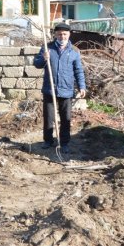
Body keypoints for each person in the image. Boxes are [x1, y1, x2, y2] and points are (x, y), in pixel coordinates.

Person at [33, 22, 86, 154]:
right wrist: (43, 58)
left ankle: (65, 143)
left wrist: (82, 86)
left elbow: (78, 70)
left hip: (66, 89)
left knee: (65, 118)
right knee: (48, 117)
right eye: (59, 34)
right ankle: (48, 140)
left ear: (69, 34)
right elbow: (37, 64)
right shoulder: (47, 47)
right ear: (55, 35)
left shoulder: (74, 51)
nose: (62, 36)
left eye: (64, 34)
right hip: (49, 88)